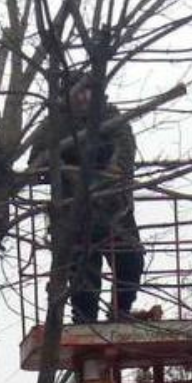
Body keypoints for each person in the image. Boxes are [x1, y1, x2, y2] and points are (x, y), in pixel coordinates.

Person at [41, 76, 146, 324]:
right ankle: (84, 320)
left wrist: (109, 177)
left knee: (131, 260)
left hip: (114, 209)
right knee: (83, 277)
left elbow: (125, 155)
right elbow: (40, 160)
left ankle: (121, 311)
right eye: (77, 92)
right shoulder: (57, 125)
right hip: (73, 213)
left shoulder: (112, 119)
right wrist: (66, 168)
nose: (83, 97)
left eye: (88, 91)